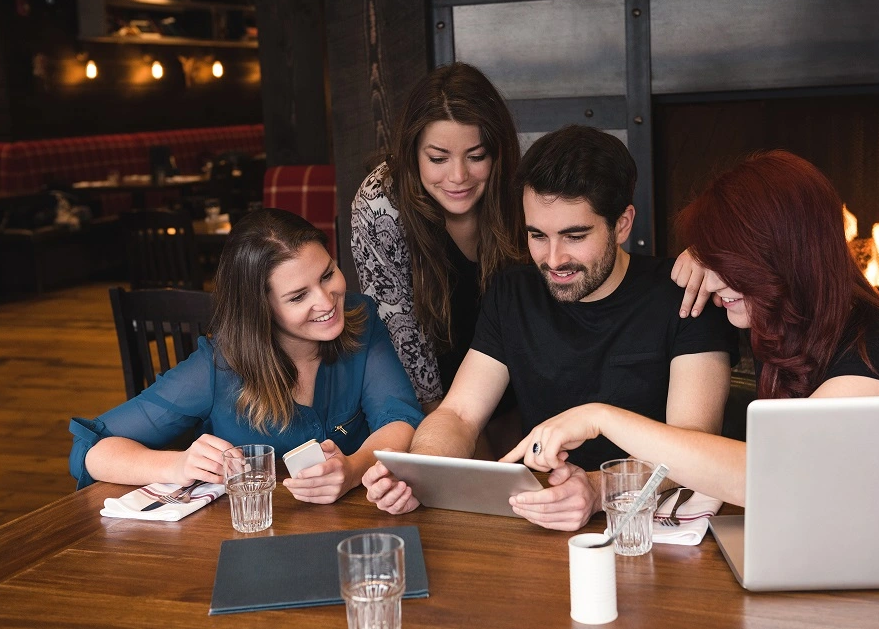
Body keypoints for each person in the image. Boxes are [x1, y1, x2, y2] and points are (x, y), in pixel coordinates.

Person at [503, 150, 879, 507]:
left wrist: (598, 416)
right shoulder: (799, 325)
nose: (712, 282)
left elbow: (767, 477)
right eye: (707, 259)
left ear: (781, 257)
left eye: (726, 262)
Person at [362, 125, 739, 530]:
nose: (554, 259)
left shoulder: (684, 295)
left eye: (575, 236)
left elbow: (694, 446)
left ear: (623, 224)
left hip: (646, 526)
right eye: (537, 235)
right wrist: (421, 471)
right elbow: (458, 414)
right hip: (538, 518)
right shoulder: (512, 293)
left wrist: (598, 489)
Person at [69, 209, 424, 504]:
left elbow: (399, 417)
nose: (328, 301)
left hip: (359, 530)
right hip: (249, 538)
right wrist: (178, 465)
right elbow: (93, 448)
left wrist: (353, 469)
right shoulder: (217, 368)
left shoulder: (360, 319)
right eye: (299, 296)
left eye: (328, 274)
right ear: (260, 310)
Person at [351, 62, 524, 418]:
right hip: (432, 399)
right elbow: (400, 330)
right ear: (412, 152)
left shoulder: (518, 189)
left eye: (476, 157)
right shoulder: (381, 201)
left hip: (522, 384)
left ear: (498, 153)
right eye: (438, 158)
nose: (458, 177)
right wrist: (447, 433)